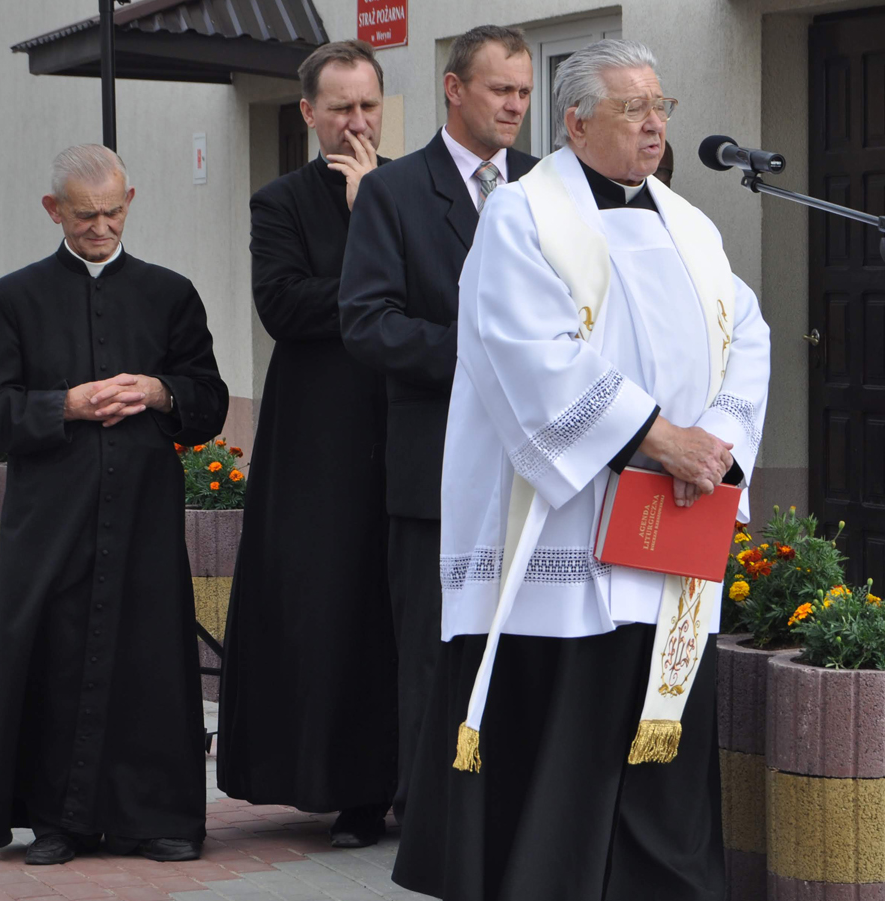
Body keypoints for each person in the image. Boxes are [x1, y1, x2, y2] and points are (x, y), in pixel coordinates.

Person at [391, 39, 771, 901]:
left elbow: (747, 335)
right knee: (569, 732)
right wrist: (652, 436)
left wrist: (714, 443)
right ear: (576, 120)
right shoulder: (523, 215)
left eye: (661, 106)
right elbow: (530, 352)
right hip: (561, 527)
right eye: (632, 107)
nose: (653, 123)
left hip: (674, 514)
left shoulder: (692, 225)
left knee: (658, 733)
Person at [0, 145, 228, 866]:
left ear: (130, 200)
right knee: (54, 658)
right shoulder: (16, 299)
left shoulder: (169, 293)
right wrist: (67, 405)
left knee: (150, 663)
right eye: (85, 216)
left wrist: (158, 391)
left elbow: (207, 401)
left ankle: (157, 817)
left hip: (143, 513)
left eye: (114, 211)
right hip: (50, 518)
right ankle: (58, 823)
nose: (102, 228)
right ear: (54, 211)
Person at [339, 23, 538, 823]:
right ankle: (430, 819)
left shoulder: (547, 185)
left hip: (537, 468)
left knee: (527, 647)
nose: (517, 106)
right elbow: (366, 322)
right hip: (435, 470)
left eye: (525, 92)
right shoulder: (393, 191)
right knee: (433, 648)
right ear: (455, 89)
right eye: (502, 90)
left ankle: (517, 808)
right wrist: (482, 355)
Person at [215, 39, 398, 849]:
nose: (357, 123)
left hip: (405, 420)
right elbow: (285, 307)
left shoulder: (416, 186)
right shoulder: (281, 201)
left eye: (368, 106)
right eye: (340, 109)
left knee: (394, 607)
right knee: (328, 602)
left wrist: (382, 212)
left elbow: (450, 291)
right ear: (308, 113)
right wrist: (368, 230)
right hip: (319, 431)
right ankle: (339, 785)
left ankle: (400, 780)